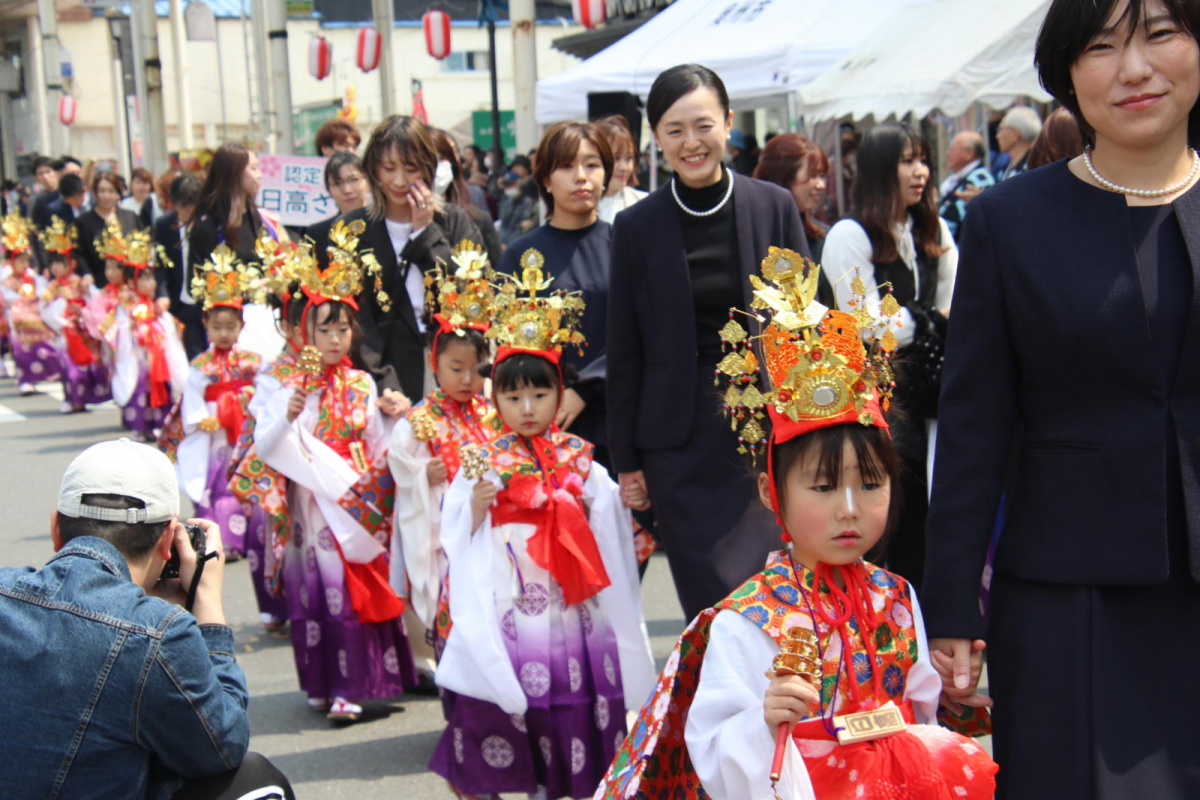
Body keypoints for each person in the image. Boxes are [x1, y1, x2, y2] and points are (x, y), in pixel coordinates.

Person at [923, 0, 1200, 797]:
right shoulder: (1010, 222)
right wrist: (951, 605)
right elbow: (974, 427)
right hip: (1069, 593)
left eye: (1160, 34)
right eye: (1104, 46)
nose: (1135, 69)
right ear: (1068, 72)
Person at [596, 259, 995, 800]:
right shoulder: (748, 618)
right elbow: (709, 742)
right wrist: (762, 720)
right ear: (770, 492)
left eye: (872, 483)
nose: (850, 509)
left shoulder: (897, 597)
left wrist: (949, 695)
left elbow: (918, 711)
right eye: (824, 488)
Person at [431, 269, 655, 800]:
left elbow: (614, 539)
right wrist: (476, 512)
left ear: (560, 395)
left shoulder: (581, 459)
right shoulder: (482, 460)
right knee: (513, 701)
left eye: (539, 393)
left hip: (574, 608)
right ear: (495, 400)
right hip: (511, 607)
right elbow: (452, 532)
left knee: (575, 699)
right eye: (513, 398)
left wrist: (620, 505)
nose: (527, 409)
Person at [606, 63, 811, 620]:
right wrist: (626, 459)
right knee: (712, 604)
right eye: (674, 130)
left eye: (703, 125)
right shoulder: (636, 227)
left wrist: (823, 424)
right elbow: (625, 349)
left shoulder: (773, 206)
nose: (691, 143)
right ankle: (722, 707)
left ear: (727, 123)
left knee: (776, 593)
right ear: (657, 139)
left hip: (767, 431)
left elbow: (805, 323)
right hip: (679, 441)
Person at [0, 438, 295, 800]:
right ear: (168, 541)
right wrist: (207, 607)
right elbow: (223, 746)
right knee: (257, 778)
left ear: (55, 529)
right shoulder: (157, 632)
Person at [251, 235, 418, 720]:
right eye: (324, 330)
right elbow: (265, 445)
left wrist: (395, 417)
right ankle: (320, 684)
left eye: (343, 329)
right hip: (309, 501)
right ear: (304, 332)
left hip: (352, 495)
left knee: (347, 595)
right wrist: (287, 414)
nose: (334, 338)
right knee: (313, 594)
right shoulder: (283, 382)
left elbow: (375, 443)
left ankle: (350, 687)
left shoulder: (361, 381)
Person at [822, 122, 958, 590]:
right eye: (906, 161)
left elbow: (957, 303)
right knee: (889, 528)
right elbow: (866, 324)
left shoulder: (932, 230)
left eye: (922, 160)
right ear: (881, 169)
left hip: (929, 397)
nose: (919, 171)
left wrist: (921, 321)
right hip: (872, 405)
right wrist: (928, 320)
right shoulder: (850, 234)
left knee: (928, 524)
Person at [387, 244, 503, 688]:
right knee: (449, 608)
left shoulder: (493, 411)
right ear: (435, 364)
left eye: (475, 369)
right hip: (439, 533)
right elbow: (401, 465)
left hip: (485, 526)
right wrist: (422, 476)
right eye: (456, 368)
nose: (468, 380)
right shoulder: (420, 419)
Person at [316, 114, 483, 412]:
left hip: (453, 369)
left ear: (429, 169)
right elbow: (355, 317)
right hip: (380, 372)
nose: (400, 181)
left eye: (411, 169)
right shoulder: (350, 229)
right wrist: (383, 383)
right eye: (389, 168)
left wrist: (425, 233)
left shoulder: (454, 221)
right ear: (373, 168)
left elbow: (467, 296)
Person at [500, 121, 615, 461]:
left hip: (619, 418)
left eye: (592, 164)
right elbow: (510, 347)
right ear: (546, 179)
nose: (582, 176)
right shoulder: (519, 255)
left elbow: (645, 331)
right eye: (566, 166)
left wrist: (586, 387)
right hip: (544, 423)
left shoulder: (628, 244)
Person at [157, 245, 263, 561]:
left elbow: (265, 391)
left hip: (244, 429)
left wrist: (249, 405)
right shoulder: (201, 364)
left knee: (243, 478)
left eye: (231, 327)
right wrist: (200, 417)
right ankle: (222, 541)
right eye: (217, 327)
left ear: (241, 326)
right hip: (214, 431)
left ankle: (247, 539)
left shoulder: (252, 361)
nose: (224, 333)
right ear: (206, 326)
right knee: (215, 482)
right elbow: (192, 394)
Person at [103, 229, 189, 442]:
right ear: (132, 282)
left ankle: (158, 424)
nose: (151, 284)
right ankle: (140, 427)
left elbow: (169, 327)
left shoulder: (155, 304)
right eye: (145, 279)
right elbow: (114, 328)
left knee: (161, 387)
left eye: (152, 279)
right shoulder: (125, 303)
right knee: (140, 389)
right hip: (138, 357)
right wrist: (130, 328)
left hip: (155, 356)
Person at [753, 132, 836, 303]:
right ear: (783, 176)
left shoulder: (823, 238)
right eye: (813, 175)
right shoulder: (751, 236)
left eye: (822, 176)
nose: (821, 185)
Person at [39, 218, 111, 413]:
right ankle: (72, 398)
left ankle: (85, 397)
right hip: (63, 332)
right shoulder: (50, 288)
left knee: (85, 367)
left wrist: (83, 310)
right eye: (52, 263)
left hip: (81, 331)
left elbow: (90, 302)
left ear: (71, 263)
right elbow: (45, 310)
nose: (55, 267)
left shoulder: (78, 282)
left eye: (60, 262)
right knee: (68, 367)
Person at [1, 211, 60, 393]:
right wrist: (18, 300)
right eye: (20, 260)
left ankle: (48, 371)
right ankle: (25, 379)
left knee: (49, 340)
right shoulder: (5, 276)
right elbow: (5, 298)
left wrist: (42, 296)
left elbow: (42, 291)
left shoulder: (31, 276)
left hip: (34, 314)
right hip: (15, 317)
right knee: (20, 348)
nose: (24, 264)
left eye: (26, 260)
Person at [431, 127, 502, 267]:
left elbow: (497, 274)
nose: (437, 166)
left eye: (443, 158)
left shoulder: (476, 218)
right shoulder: (402, 224)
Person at [155, 173, 207, 358]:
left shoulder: (209, 223)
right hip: (180, 302)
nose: (186, 211)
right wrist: (162, 294)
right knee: (191, 357)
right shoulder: (163, 225)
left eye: (191, 206)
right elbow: (160, 264)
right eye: (181, 206)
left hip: (208, 303)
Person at [75, 171, 142, 288]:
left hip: (129, 282)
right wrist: (86, 273)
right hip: (99, 282)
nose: (106, 196)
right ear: (95, 193)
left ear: (118, 194)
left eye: (111, 191)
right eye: (101, 191)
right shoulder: (84, 221)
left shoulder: (130, 216)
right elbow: (79, 253)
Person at [936, 131, 996, 240]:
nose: (948, 153)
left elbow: (953, 218)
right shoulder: (964, 178)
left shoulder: (980, 179)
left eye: (952, 149)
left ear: (968, 153)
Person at [304, 150, 369, 247]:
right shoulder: (317, 233)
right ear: (328, 189)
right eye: (337, 184)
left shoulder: (386, 226)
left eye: (354, 180)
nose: (347, 190)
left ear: (368, 181)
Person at [595, 115, 648, 224]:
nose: (624, 167)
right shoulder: (578, 206)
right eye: (616, 158)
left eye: (629, 158)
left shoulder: (643, 202)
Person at [994, 106, 1042, 180]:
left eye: (1001, 129)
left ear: (1015, 134)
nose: (997, 136)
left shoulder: (1032, 168)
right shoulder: (1006, 167)